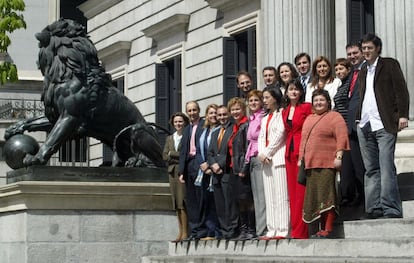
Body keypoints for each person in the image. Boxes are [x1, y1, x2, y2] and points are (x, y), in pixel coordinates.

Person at [356, 33, 409, 219]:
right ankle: (374, 208)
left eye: (370, 48)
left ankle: (391, 208)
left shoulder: (389, 64)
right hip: (364, 124)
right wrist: (357, 119)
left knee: (386, 166)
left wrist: (402, 115)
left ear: (378, 48)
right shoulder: (362, 70)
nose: (366, 51)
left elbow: (401, 90)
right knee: (371, 169)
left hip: (384, 123)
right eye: (364, 49)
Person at [299, 89, 349, 238]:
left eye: (322, 100)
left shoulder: (335, 117)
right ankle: (319, 229)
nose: (319, 103)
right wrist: (301, 159)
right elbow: (303, 141)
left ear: (328, 102)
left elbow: (342, 137)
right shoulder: (309, 119)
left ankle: (327, 229)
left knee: (327, 197)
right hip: (310, 164)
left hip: (327, 163)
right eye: (316, 100)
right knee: (315, 197)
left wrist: (339, 156)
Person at [258, 86, 289, 240]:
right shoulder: (264, 119)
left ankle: (283, 229)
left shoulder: (282, 113)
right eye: (263, 98)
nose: (264, 101)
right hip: (266, 160)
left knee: (282, 195)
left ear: (275, 98)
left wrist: (267, 152)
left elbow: (280, 134)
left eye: (267, 98)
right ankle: (271, 229)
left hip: (278, 158)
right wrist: (261, 153)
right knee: (269, 197)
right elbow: (261, 137)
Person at [282, 79, 312, 239]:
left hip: (302, 150)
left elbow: (309, 128)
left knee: (301, 191)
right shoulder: (284, 111)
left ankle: (302, 231)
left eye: (296, 89)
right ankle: (295, 230)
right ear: (286, 92)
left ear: (301, 92)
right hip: (289, 152)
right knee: (292, 193)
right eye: (290, 89)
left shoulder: (306, 107)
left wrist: (305, 152)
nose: (293, 92)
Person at [333, 57, 365, 211]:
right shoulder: (341, 86)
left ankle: (362, 196)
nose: (339, 72)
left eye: (341, 69)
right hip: (342, 131)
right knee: (347, 166)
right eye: (337, 70)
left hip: (350, 129)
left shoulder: (351, 84)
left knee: (357, 165)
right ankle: (349, 197)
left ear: (348, 69)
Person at [207, 105, 238, 239]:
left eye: (224, 114)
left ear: (229, 115)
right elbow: (210, 152)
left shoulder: (233, 130)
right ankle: (224, 230)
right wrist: (212, 164)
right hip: (215, 174)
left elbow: (231, 151)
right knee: (219, 204)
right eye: (219, 115)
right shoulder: (215, 133)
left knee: (229, 203)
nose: (222, 118)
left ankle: (232, 229)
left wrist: (218, 164)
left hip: (226, 172)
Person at [341, 42, 366, 209]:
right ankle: (358, 196)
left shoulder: (368, 70)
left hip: (364, 124)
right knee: (354, 166)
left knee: (364, 165)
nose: (352, 56)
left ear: (362, 52)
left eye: (355, 53)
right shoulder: (350, 75)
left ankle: (367, 198)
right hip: (349, 127)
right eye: (349, 54)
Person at [178, 101, 207, 240]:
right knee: (191, 199)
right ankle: (194, 230)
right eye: (189, 111)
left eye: (194, 110)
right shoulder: (187, 128)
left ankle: (202, 229)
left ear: (199, 110)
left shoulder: (204, 125)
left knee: (200, 196)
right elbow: (183, 150)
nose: (192, 113)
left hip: (199, 163)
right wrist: (181, 171)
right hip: (188, 165)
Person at [227, 97, 255, 240]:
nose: (235, 112)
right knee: (240, 200)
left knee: (247, 200)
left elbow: (246, 150)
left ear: (244, 110)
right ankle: (243, 229)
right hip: (234, 168)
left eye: (238, 109)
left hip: (242, 169)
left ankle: (250, 228)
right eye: (233, 109)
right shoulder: (235, 127)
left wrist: (244, 168)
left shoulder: (246, 126)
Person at [163, 112, 190, 242]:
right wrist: (176, 155)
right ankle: (180, 232)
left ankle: (186, 232)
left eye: (180, 121)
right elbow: (164, 155)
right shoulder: (169, 138)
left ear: (184, 122)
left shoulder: (187, 136)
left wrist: (172, 154)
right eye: (176, 122)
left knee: (182, 201)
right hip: (171, 172)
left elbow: (186, 154)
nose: (178, 124)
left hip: (182, 171)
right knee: (176, 203)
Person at [196, 104, 221, 240]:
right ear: (206, 115)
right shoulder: (203, 131)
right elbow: (199, 150)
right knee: (206, 201)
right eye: (210, 113)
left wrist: (211, 165)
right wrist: (202, 164)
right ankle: (209, 230)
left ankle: (217, 231)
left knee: (216, 202)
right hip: (204, 171)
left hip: (215, 170)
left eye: (215, 113)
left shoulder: (220, 129)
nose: (213, 116)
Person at [244, 90, 266, 237]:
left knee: (262, 196)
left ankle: (263, 229)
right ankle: (259, 229)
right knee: (256, 197)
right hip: (251, 157)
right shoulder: (251, 119)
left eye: (256, 100)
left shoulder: (263, 117)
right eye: (250, 101)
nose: (253, 103)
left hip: (260, 156)